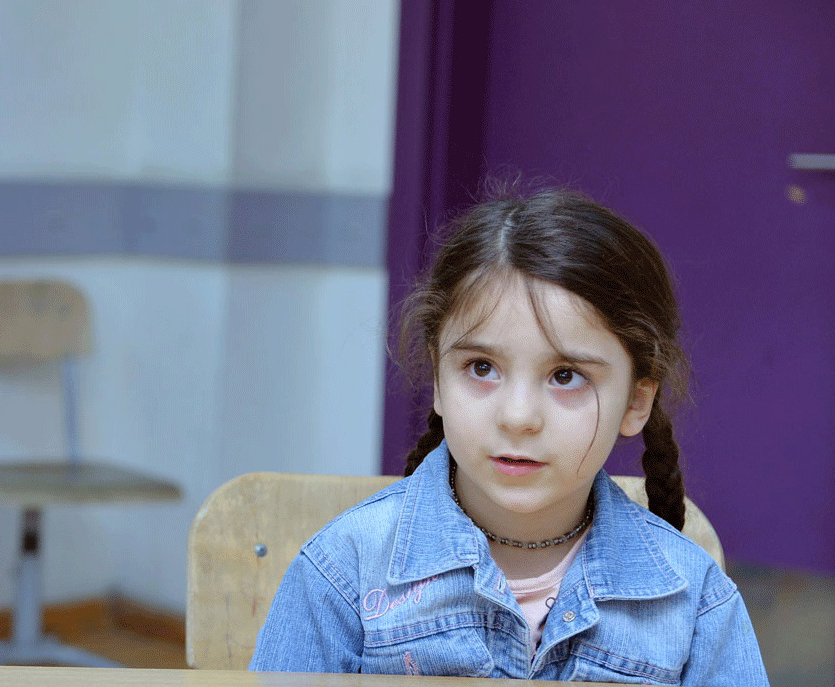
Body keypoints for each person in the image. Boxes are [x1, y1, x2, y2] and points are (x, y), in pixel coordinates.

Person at [249, 188, 768, 684]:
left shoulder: (696, 600)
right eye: (481, 367)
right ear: (438, 380)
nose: (518, 417)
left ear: (635, 402)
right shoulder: (343, 570)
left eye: (566, 375)